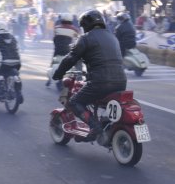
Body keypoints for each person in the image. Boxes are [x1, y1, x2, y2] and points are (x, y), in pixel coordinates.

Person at [52, 10, 127, 141]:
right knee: (99, 101)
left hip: (100, 82)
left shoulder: (86, 38)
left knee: (75, 102)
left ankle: (95, 127)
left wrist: (58, 74)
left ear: (85, 24)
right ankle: (105, 124)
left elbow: (70, 58)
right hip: (121, 81)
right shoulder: (112, 37)